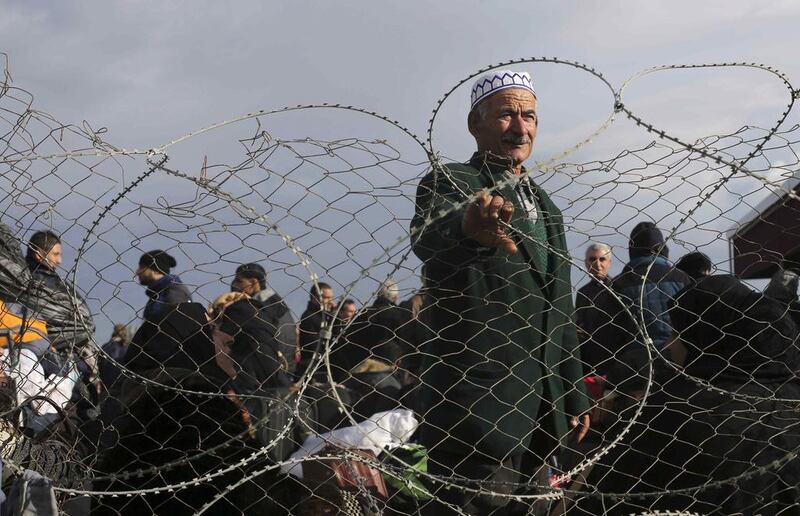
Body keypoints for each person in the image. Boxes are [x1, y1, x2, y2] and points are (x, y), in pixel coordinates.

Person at [410, 69, 591, 514]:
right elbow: (428, 240)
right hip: (479, 408)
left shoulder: (546, 207)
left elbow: (559, 307)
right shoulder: (454, 181)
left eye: (528, 115)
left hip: (542, 409)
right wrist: (469, 228)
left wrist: (573, 392)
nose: (520, 127)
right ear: (476, 124)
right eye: (506, 114)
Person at [575, 275, 800, 514]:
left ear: (706, 337)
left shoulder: (666, 415)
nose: (670, 344)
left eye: (678, 332)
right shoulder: (787, 402)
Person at [606, 222, 691, 394]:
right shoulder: (682, 278)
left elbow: (611, 331)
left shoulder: (618, 283)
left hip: (633, 363)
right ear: (663, 248)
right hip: (676, 358)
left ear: (632, 249)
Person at [231, 263, 297, 377]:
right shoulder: (273, 300)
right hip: (282, 366)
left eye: (239, 281)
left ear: (252, 283)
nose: (235, 285)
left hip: (270, 368)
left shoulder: (259, 305)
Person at [574, 243, 621, 376]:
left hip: (614, 357)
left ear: (609, 263)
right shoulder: (582, 293)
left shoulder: (617, 289)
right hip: (588, 360)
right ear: (586, 264)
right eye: (592, 259)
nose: (597, 264)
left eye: (602, 259)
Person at [135, 249, 191, 322]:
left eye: (142, 267)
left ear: (155, 270)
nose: (137, 272)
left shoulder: (174, 292)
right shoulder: (158, 293)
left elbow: (178, 323)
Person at [295, 282, 335, 382]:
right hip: (314, 369)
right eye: (326, 298)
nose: (330, 302)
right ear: (314, 298)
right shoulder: (311, 318)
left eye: (331, 298)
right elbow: (316, 347)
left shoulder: (323, 316)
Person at [98, 323, 130, 389]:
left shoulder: (108, 346)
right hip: (118, 381)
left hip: (111, 381)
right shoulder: (111, 346)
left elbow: (100, 363)